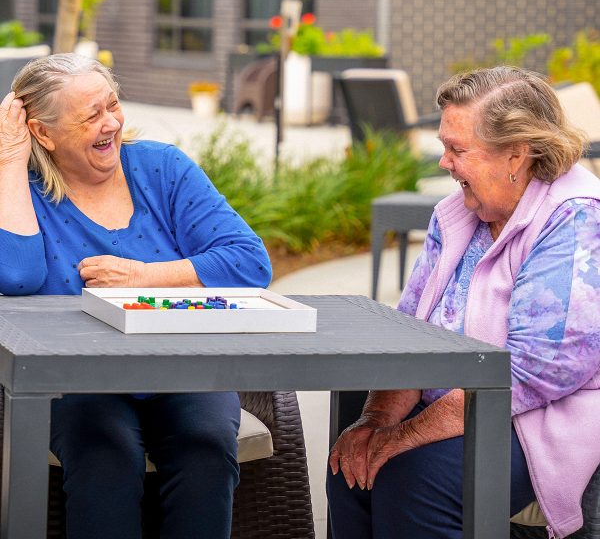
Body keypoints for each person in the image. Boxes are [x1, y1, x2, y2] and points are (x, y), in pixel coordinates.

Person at [0, 53, 272, 539]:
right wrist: (10, 161)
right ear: (44, 133)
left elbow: (250, 262)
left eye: (112, 105)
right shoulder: (23, 191)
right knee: (105, 454)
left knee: (205, 446)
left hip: (183, 366)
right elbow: (16, 277)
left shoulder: (161, 168)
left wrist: (146, 276)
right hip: (78, 380)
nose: (111, 124)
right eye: (91, 116)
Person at [327, 66, 600, 539]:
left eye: (457, 149)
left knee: (412, 481)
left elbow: (534, 372)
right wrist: (377, 422)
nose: (443, 163)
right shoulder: (457, 214)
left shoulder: (576, 220)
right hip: (458, 408)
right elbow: (410, 331)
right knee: (350, 466)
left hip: (537, 418)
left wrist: (405, 437)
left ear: (516, 154)